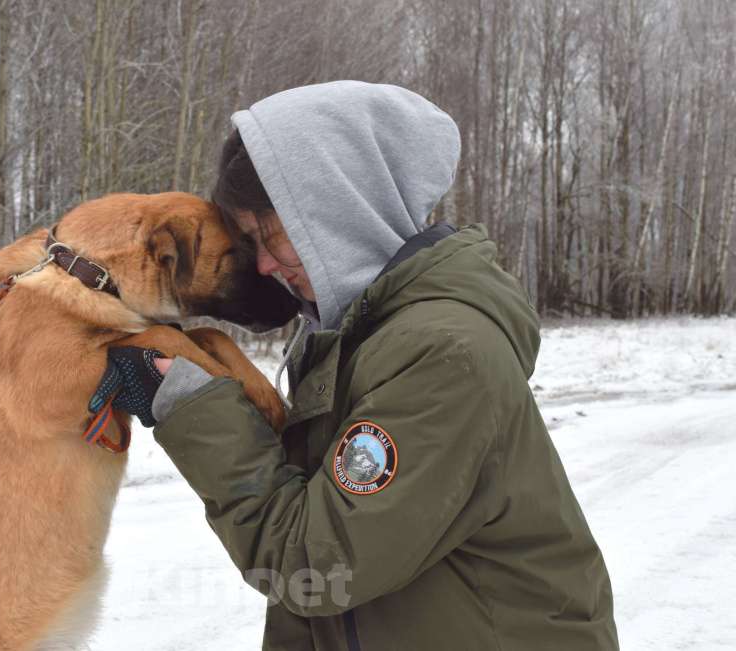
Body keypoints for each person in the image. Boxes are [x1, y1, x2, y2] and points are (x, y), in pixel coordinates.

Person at [91, 81, 619, 650]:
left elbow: (315, 566)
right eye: (250, 242)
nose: (264, 264)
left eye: (272, 234)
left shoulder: (442, 353)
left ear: (338, 212)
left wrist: (196, 410)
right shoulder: (358, 340)